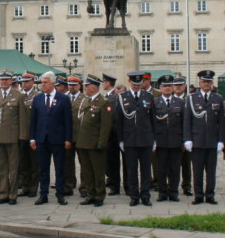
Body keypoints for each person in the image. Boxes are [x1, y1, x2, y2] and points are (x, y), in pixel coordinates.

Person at [0, 69, 30, 205]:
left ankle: (12, 195)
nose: (4, 82)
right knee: (1, 168)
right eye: (1, 79)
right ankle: (2, 193)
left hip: (12, 137)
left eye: (6, 79)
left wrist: (23, 137)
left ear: (12, 81)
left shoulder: (19, 95)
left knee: (13, 168)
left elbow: (23, 118)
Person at [30, 71, 73, 205]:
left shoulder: (63, 99)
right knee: (43, 168)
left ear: (53, 83)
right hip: (42, 139)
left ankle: (60, 194)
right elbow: (33, 121)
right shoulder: (37, 99)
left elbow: (68, 121)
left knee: (59, 168)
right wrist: (32, 138)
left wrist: (68, 139)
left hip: (58, 139)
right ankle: (43, 194)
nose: (43, 85)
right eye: (42, 82)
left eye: (45, 82)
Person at [183, 70, 225, 205]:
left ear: (212, 83)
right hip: (197, 140)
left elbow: (221, 122)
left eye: (208, 82)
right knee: (197, 170)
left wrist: (221, 140)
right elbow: (187, 120)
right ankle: (198, 195)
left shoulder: (218, 98)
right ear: (199, 83)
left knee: (211, 171)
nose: (206, 84)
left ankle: (210, 195)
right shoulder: (191, 98)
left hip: (212, 140)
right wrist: (187, 138)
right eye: (203, 81)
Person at [115, 71, 156, 207]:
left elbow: (153, 120)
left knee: (145, 169)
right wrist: (120, 140)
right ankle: (133, 195)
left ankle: (145, 195)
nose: (137, 86)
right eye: (134, 83)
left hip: (145, 139)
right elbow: (119, 121)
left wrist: (154, 139)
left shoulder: (149, 96)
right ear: (129, 82)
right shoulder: (122, 97)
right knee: (131, 170)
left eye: (139, 83)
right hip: (130, 139)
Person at [76, 75, 113, 207]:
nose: (85, 88)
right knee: (87, 172)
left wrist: (101, 143)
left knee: (98, 172)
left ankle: (99, 196)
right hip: (83, 143)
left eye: (87, 86)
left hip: (95, 143)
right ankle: (90, 194)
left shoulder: (104, 102)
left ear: (94, 87)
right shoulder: (85, 101)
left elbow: (105, 126)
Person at [152, 75, 184, 202]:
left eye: (170, 86)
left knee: (175, 169)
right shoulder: (155, 102)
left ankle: (174, 192)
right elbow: (152, 123)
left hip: (176, 141)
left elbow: (183, 123)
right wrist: (153, 141)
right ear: (160, 88)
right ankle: (162, 192)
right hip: (161, 141)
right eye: (165, 86)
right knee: (161, 169)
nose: (167, 88)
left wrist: (184, 140)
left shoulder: (180, 102)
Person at [17, 72, 41, 197]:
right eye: (23, 81)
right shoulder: (20, 97)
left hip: (33, 135)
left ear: (32, 82)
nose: (24, 84)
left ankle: (33, 187)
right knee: (23, 163)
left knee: (34, 163)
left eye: (26, 81)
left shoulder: (37, 96)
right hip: (21, 135)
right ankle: (25, 186)